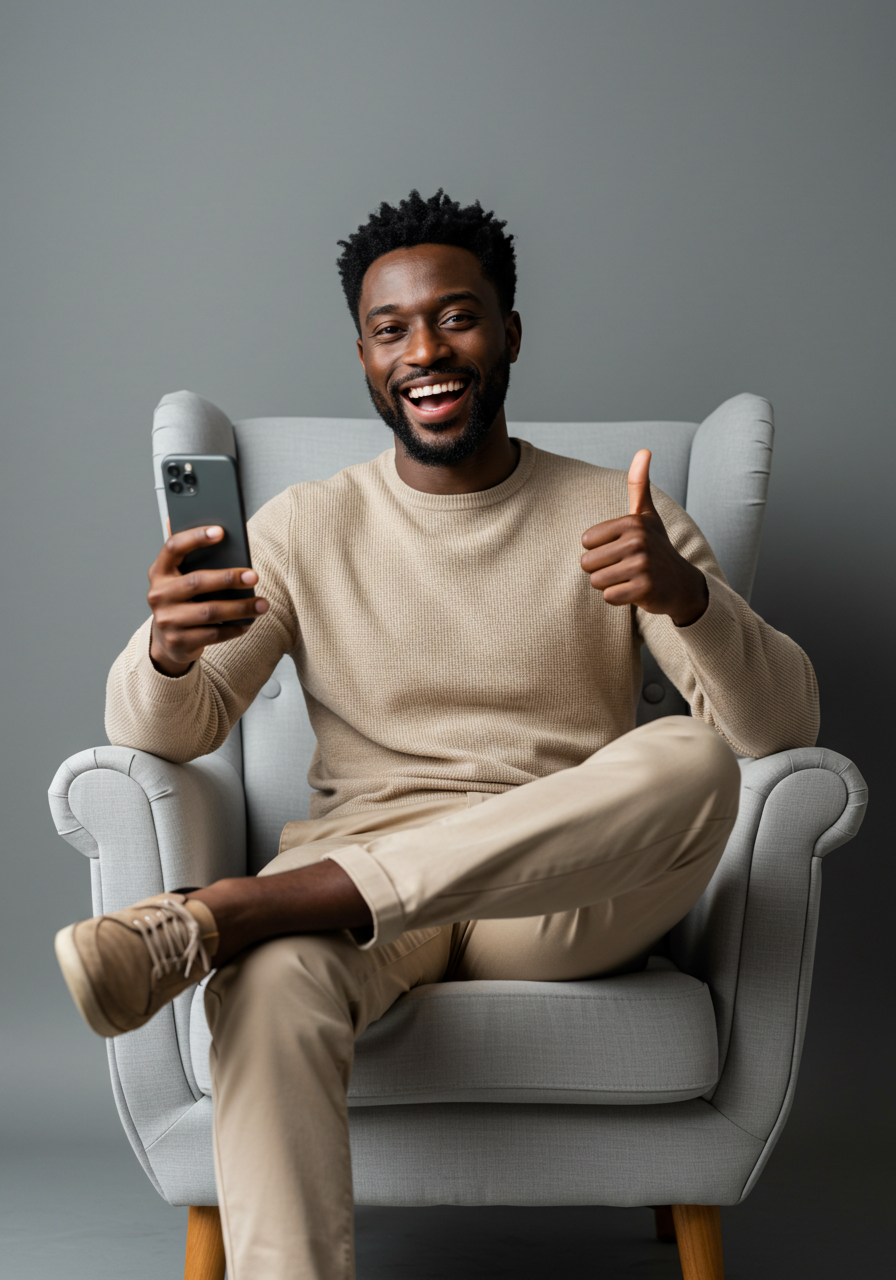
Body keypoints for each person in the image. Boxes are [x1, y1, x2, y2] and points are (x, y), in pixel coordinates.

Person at [55, 190, 819, 1279]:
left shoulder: (621, 513)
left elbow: (780, 723)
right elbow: (166, 731)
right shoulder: (305, 526)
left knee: (693, 756)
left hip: (552, 898)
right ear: (363, 354)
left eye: (456, 318)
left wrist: (686, 598)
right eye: (390, 328)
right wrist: (167, 650)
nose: (426, 350)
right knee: (268, 982)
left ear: (507, 334)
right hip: (363, 884)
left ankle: (233, 912)